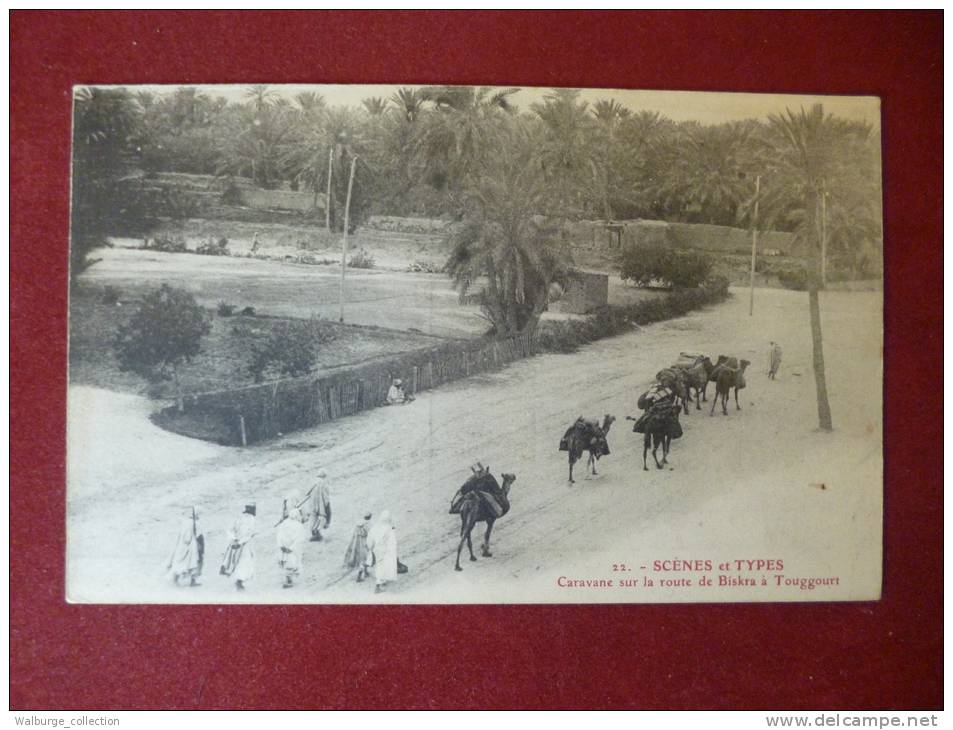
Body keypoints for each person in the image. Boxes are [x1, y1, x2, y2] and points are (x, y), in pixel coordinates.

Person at [219, 502, 257, 591]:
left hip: (236, 544)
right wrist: (239, 542)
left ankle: (237, 579)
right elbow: (250, 534)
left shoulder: (239, 517)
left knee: (237, 562)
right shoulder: (252, 520)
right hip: (245, 545)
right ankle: (239, 581)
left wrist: (234, 539)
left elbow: (229, 530)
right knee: (244, 562)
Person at [167, 506, 204, 587]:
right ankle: (177, 580)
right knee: (190, 564)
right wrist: (194, 542)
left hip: (186, 546)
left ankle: (189, 580)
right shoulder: (191, 523)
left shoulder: (186, 522)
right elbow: (188, 538)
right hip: (190, 547)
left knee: (189, 564)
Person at [364, 511, 398, 594]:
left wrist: (371, 548)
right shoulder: (389, 529)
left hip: (377, 550)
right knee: (383, 566)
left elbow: (369, 541)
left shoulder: (375, 527)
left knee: (379, 565)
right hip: (386, 551)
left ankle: (381, 581)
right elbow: (392, 542)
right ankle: (379, 584)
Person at [276, 506, 308, 589]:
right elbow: (300, 539)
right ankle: (289, 581)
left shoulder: (284, 523)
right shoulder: (299, 526)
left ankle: (288, 579)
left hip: (284, 548)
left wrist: (281, 546)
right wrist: (291, 548)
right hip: (292, 549)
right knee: (292, 563)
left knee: (286, 563)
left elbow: (279, 535)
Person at [344, 513, 373, 581]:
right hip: (364, 543)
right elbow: (370, 534)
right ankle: (359, 576)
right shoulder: (368, 525)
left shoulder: (358, 524)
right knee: (365, 559)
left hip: (357, 544)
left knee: (361, 559)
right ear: (370, 517)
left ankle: (365, 572)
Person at [307, 471, 332, 542]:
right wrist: (326, 505)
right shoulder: (324, 483)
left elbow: (307, 493)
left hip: (312, 504)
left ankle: (315, 533)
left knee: (313, 517)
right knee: (322, 517)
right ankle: (317, 533)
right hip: (321, 504)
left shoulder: (313, 482)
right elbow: (326, 498)